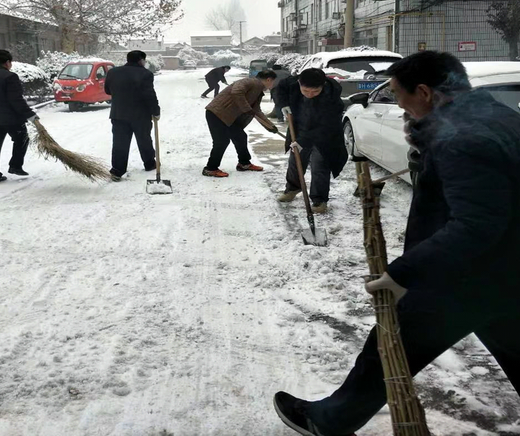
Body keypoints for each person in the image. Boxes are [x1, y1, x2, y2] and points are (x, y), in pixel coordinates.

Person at [273, 51, 520, 436]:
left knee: (391, 344)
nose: (398, 104)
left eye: (398, 95)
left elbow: (475, 225)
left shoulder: (462, 139)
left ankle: (329, 421)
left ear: (424, 92)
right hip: (509, 272)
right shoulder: (500, 117)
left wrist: (403, 272)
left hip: (464, 276)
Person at [275, 68, 347, 214]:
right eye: (305, 91)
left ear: (323, 86)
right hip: (300, 128)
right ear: (299, 83)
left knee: (319, 165)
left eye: (315, 91)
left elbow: (323, 126)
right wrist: (283, 104)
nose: (309, 94)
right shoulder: (293, 83)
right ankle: (293, 188)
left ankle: (319, 199)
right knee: (295, 160)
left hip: (324, 135)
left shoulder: (331, 100)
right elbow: (280, 87)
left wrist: (302, 141)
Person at [0, 49, 38, 185]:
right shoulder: (10, 76)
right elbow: (16, 100)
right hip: (10, 119)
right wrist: (30, 115)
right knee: (22, 138)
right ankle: (15, 165)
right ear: (7, 62)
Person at [203, 69, 278, 177]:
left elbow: (256, 111)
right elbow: (236, 92)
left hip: (229, 117)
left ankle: (244, 163)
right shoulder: (249, 82)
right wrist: (246, 109)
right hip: (217, 113)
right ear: (268, 79)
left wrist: (270, 126)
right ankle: (210, 168)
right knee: (221, 141)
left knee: (240, 137)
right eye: (273, 82)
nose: (272, 85)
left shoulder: (257, 90)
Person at [104, 50, 160, 180]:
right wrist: (155, 111)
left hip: (119, 114)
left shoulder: (113, 72)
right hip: (140, 115)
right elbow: (149, 95)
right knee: (144, 139)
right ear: (141, 60)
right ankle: (149, 163)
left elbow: (107, 90)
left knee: (119, 143)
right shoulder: (145, 74)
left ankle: (117, 170)